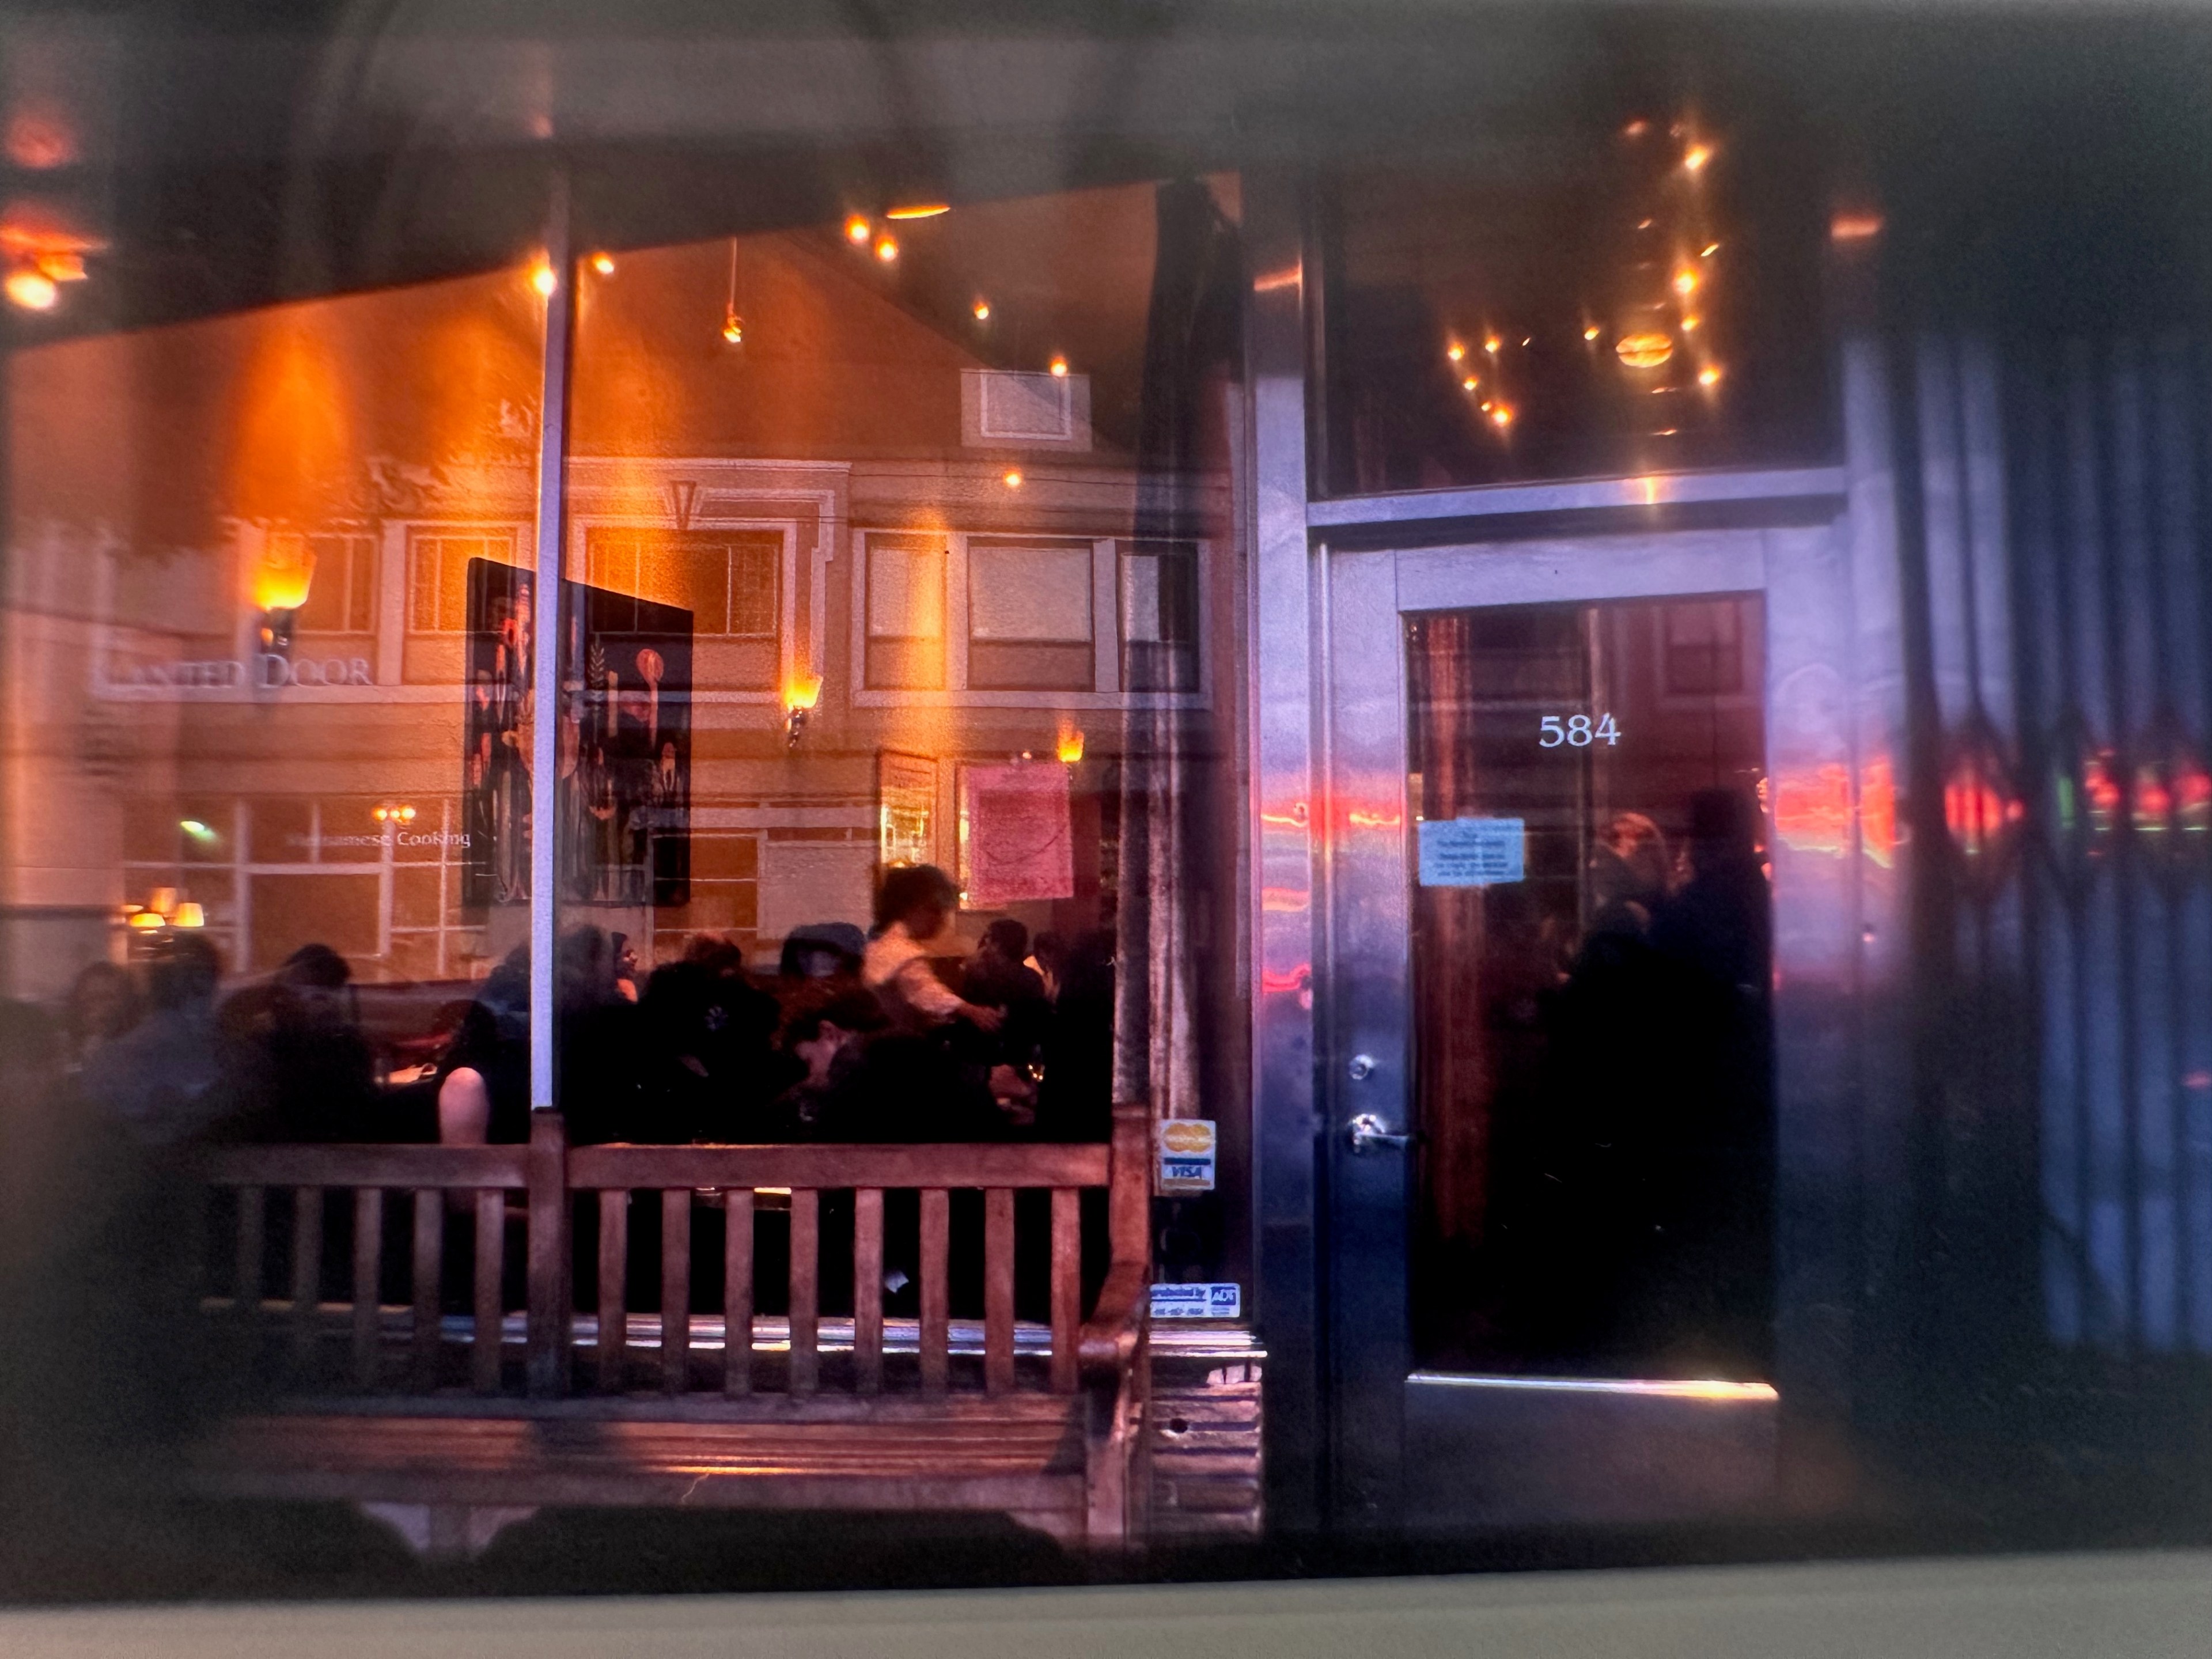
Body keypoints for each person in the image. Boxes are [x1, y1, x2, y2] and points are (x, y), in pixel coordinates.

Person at [80, 933, 226, 1147]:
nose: (101, 1008)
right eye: (91, 999)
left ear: (147, 989)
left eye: (109, 997)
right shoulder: (236, 1062)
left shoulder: (107, 1062)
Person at [862, 866, 1002, 1037]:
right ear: (911, 908)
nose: (941, 920)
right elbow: (924, 991)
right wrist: (969, 1010)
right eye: (934, 910)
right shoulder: (900, 949)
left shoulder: (881, 943)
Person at [60, 960, 140, 1071]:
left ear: (126, 1001)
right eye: (92, 998)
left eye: (108, 998)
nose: (100, 1005)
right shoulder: (64, 1046)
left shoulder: (139, 1045)